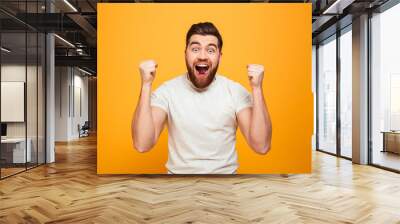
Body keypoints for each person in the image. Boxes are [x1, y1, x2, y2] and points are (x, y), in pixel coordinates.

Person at [132, 22, 272, 174]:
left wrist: (257, 88)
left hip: (225, 185)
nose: (203, 56)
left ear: (220, 56)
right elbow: (142, 144)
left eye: (211, 50)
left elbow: (261, 145)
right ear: (185, 53)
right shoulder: (168, 91)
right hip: (178, 186)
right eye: (195, 49)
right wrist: (146, 85)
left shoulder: (235, 92)